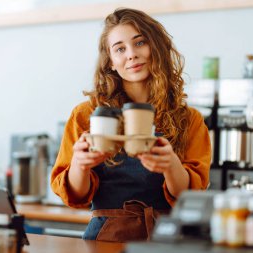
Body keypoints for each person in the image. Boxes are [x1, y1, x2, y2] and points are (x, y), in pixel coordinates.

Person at [51, 7, 211, 242]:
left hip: (167, 240)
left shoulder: (190, 120)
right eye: (120, 49)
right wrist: (79, 164)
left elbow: (190, 196)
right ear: (111, 62)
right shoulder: (86, 115)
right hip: (106, 240)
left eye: (140, 43)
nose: (131, 55)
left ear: (156, 47)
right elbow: (76, 196)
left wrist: (171, 165)